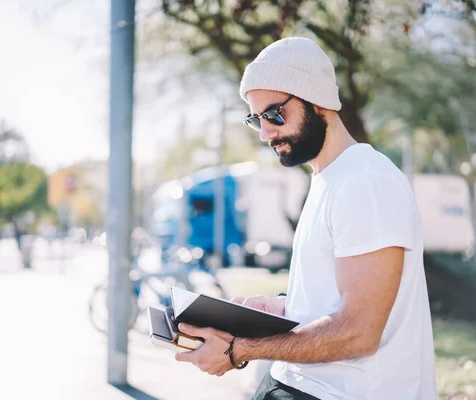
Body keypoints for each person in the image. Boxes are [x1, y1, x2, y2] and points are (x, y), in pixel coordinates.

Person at [174, 37, 437, 400]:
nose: (265, 132)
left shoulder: (365, 182)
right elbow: (337, 296)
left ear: (317, 101)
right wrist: (283, 306)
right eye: (256, 119)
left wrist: (240, 349)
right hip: (303, 384)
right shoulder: (329, 178)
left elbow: (359, 331)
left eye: (273, 114)